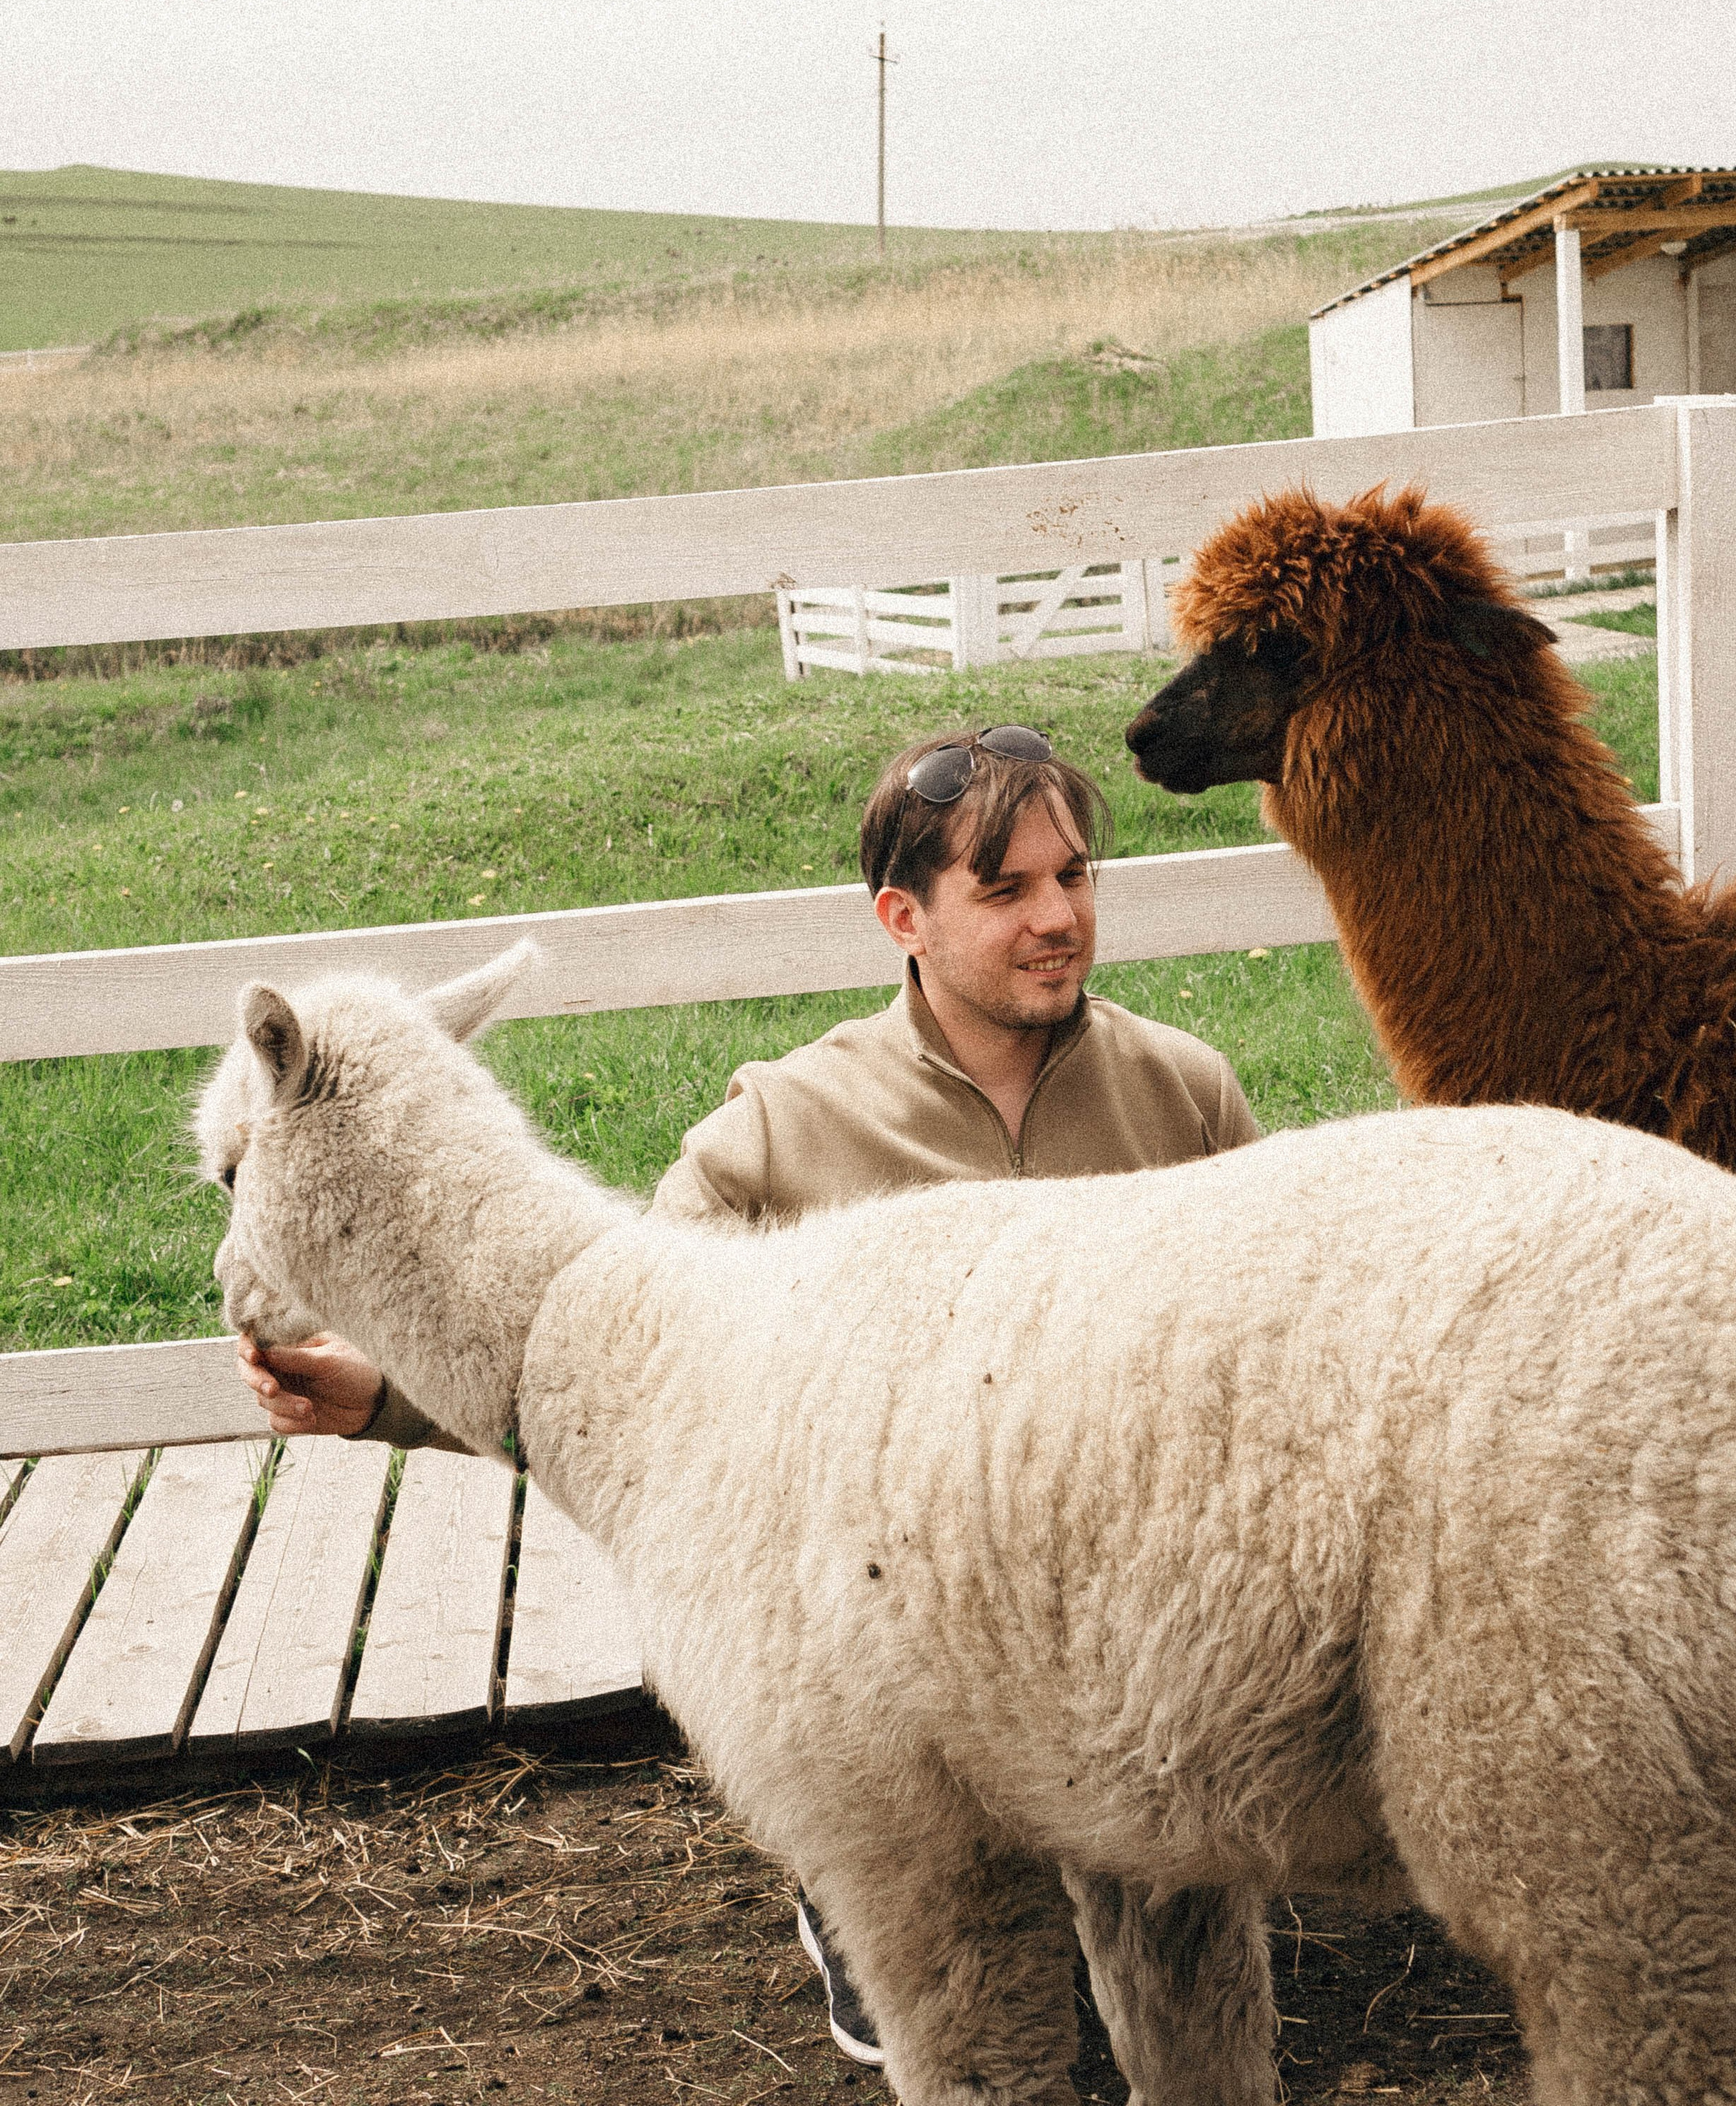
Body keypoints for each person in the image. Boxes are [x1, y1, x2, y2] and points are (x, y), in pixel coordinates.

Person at [236, 723, 1261, 2067]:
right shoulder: (786, 1126)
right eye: (1006, 890)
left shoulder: (1183, 1095)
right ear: (904, 918)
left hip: (1131, 1648)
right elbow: (615, 1376)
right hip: (919, 1683)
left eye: (1073, 877)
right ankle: (861, 1888)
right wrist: (383, 1401)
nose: (1059, 918)